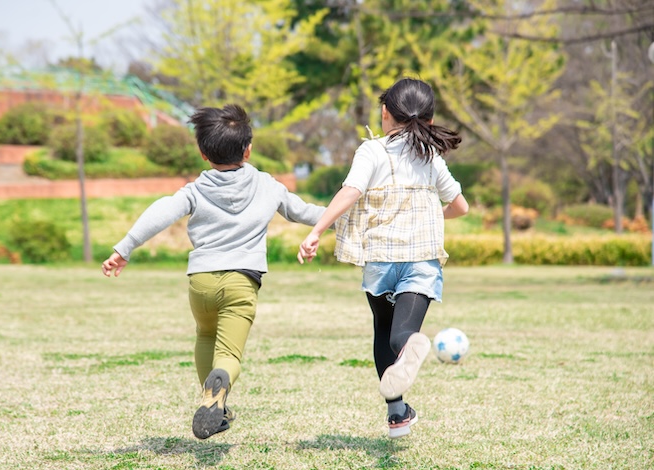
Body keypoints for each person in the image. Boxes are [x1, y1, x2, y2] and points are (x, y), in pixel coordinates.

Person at [102, 104, 325, 440]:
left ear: (203, 153)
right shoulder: (268, 185)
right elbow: (304, 212)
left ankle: (214, 402)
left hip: (201, 282)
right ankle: (217, 390)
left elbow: (162, 210)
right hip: (242, 281)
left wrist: (126, 246)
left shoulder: (196, 189)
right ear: (248, 149)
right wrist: (344, 216)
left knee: (205, 335)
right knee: (229, 355)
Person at [298, 78, 469, 438]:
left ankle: (397, 413)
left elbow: (351, 191)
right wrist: (432, 216)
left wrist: (316, 232)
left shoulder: (372, 151)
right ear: (429, 120)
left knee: (382, 329)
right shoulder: (431, 157)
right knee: (403, 334)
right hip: (421, 258)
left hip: (381, 259)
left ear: (385, 113)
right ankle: (411, 346)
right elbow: (459, 206)